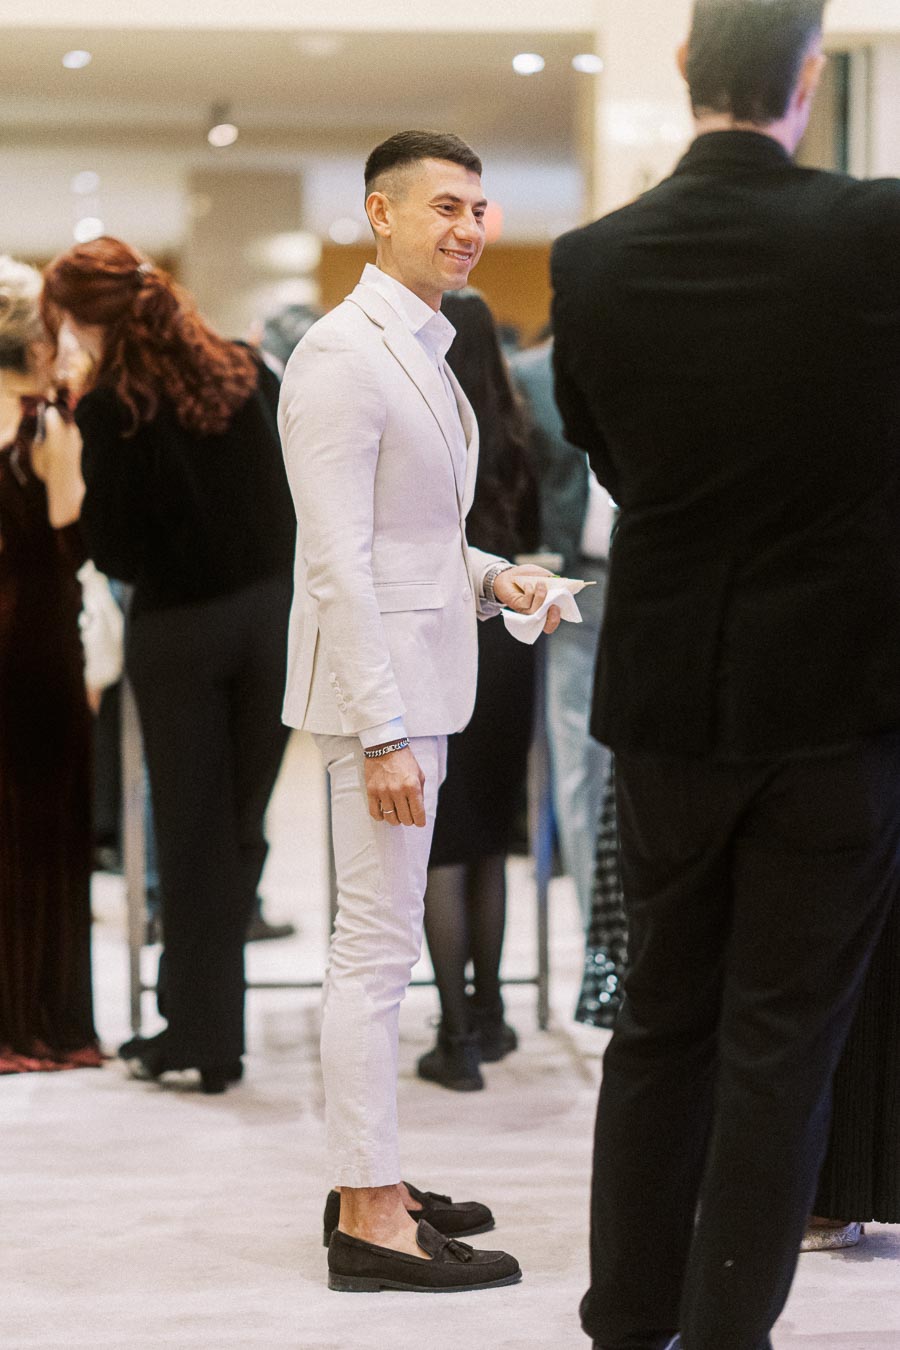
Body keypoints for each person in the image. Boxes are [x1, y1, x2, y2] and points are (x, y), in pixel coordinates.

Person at [551, 2, 900, 1347]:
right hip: (841, 702)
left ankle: (627, 1324)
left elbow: (614, 465)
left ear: (686, 68)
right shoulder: (873, 231)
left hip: (667, 698)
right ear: (810, 77)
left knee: (659, 1024)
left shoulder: (593, 259)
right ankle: (723, 1334)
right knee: (781, 1042)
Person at [279, 129, 561, 1293]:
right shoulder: (344, 354)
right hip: (379, 704)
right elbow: (336, 560)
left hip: (425, 676)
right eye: (444, 205)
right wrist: (385, 729)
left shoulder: (422, 345)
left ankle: (372, 1177)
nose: (468, 227)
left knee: (381, 948)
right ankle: (372, 1215)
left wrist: (494, 577)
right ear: (377, 214)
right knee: (376, 954)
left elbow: (414, 540)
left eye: (479, 208)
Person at [42, 237, 296, 1095]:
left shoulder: (109, 405)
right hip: (272, 618)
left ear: (83, 317)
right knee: (240, 827)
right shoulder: (244, 368)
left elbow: (112, 546)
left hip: (181, 632)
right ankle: (202, 1025)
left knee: (189, 836)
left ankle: (198, 1030)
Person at [417, 288, 539, 1092]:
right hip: (511, 643)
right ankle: (491, 1014)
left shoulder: (432, 427)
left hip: (440, 632)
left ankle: (455, 1034)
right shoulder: (519, 431)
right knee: (490, 835)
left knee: (443, 845)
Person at [0, 256, 101, 1074]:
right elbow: (71, 537)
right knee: (45, 827)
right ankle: (47, 1021)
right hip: (36, 644)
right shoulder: (49, 428)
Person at [510, 338, 613, 932]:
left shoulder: (672, 352)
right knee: (580, 764)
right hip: (577, 582)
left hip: (658, 580)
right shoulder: (532, 374)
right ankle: (600, 938)